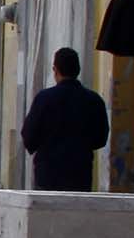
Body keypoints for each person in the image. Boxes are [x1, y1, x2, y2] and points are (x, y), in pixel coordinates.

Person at [18, 49, 112, 190]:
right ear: (78, 70)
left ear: (55, 70)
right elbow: (101, 138)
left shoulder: (44, 99)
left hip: (48, 175)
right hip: (80, 174)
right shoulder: (94, 100)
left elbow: (29, 136)